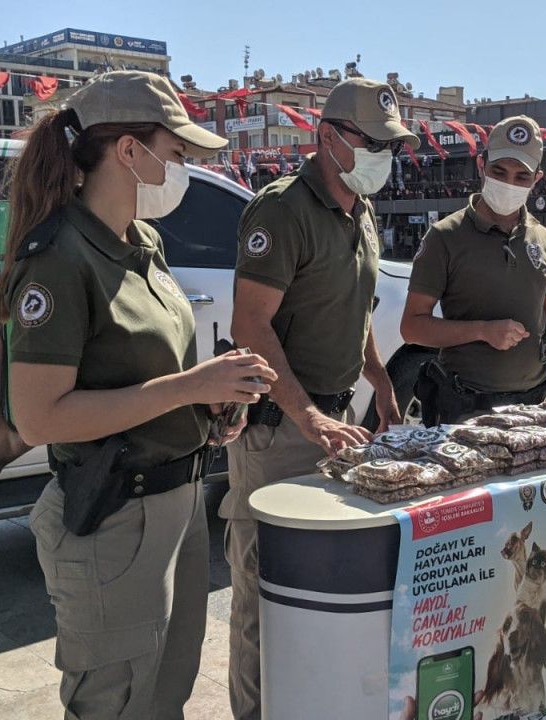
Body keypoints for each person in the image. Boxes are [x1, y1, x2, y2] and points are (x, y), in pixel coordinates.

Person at [0, 71, 278, 719]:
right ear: (128, 151)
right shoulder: (60, 258)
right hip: (115, 518)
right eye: (175, 153)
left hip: (177, 504)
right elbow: (40, 416)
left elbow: (138, 370)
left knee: (164, 697)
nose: (180, 169)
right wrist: (190, 385)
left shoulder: (142, 244)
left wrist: (208, 406)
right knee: (117, 705)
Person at [224, 76, 419, 719]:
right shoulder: (282, 210)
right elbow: (250, 325)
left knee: (314, 589)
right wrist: (306, 414)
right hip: (280, 429)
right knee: (262, 597)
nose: (384, 156)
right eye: (374, 142)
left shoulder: (360, 214)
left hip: (335, 425)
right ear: (328, 137)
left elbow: (356, 314)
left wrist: (382, 385)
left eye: (391, 143)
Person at [401, 116, 546, 426]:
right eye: (499, 171)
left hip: (536, 403)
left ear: (537, 178)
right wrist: (482, 331)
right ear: (481, 164)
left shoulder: (544, 239)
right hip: (465, 406)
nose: (509, 184)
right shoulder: (444, 236)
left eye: (522, 176)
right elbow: (412, 327)